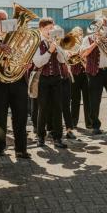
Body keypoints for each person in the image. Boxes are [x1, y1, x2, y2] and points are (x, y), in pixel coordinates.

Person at [0, 10, 31, 159]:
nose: (5, 22)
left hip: (18, 81)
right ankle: (0, 147)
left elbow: (27, 53)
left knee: (20, 116)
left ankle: (21, 150)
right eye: (1, 20)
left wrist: (26, 64)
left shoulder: (18, 37)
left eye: (6, 19)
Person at [32, 17, 67, 148]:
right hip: (43, 78)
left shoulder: (55, 41)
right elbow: (38, 62)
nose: (50, 31)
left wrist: (57, 49)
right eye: (47, 29)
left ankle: (58, 137)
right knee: (43, 108)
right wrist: (49, 50)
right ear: (41, 29)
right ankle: (40, 137)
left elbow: (63, 61)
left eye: (51, 28)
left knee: (58, 108)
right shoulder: (37, 42)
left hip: (56, 78)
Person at [69, 27, 92, 130]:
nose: (80, 34)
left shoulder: (85, 42)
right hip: (75, 74)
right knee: (75, 100)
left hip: (85, 73)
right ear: (73, 33)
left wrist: (83, 55)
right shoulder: (70, 43)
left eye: (81, 32)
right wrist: (76, 53)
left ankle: (89, 122)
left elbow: (87, 56)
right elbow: (69, 58)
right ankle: (73, 122)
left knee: (88, 99)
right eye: (78, 32)